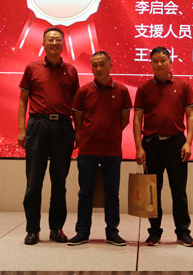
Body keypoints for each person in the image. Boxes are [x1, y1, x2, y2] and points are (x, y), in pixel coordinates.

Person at [17, 26, 79, 245]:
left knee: (59, 182)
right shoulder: (31, 68)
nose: (54, 43)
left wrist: (77, 131)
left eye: (58, 40)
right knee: (34, 182)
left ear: (63, 44)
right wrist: (21, 129)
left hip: (63, 127)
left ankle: (56, 229)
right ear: (43, 43)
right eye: (50, 39)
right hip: (38, 126)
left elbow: (75, 105)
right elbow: (23, 100)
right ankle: (32, 230)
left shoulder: (71, 70)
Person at [133, 47, 193, 247]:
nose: (159, 64)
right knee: (152, 191)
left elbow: (191, 115)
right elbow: (137, 119)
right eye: (155, 61)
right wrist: (138, 147)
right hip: (151, 145)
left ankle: (183, 232)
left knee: (179, 191)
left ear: (170, 62)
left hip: (176, 143)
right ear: (150, 64)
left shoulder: (183, 85)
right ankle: (154, 232)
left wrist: (188, 142)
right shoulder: (144, 88)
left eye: (163, 60)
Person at [67, 51, 132, 246]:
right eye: (94, 65)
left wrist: (110, 133)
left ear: (110, 66)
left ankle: (112, 232)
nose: (98, 68)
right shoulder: (84, 91)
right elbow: (78, 120)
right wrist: (86, 135)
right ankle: (82, 232)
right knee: (85, 192)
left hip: (112, 151)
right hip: (87, 150)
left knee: (112, 193)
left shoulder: (121, 90)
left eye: (102, 64)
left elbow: (125, 119)